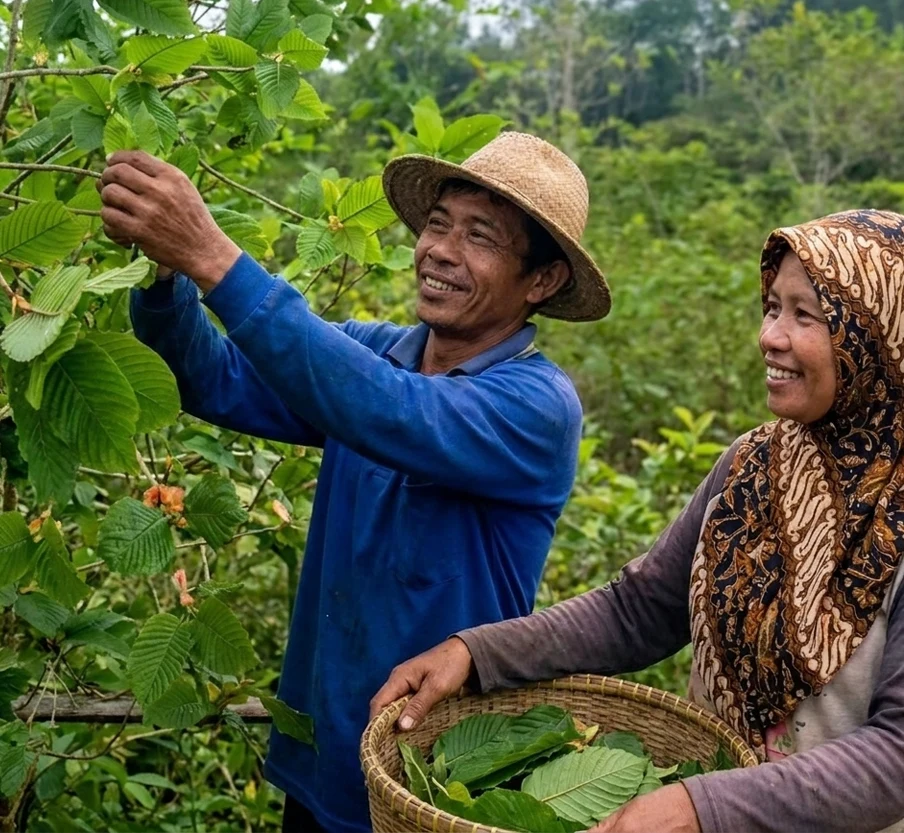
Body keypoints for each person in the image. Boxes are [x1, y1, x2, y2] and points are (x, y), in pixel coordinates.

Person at [97, 132, 610, 832]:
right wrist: (167, 273)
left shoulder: (537, 406)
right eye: (437, 224)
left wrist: (215, 256)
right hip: (322, 760)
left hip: (432, 780)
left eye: (481, 236)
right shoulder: (379, 354)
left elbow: (389, 411)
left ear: (541, 282)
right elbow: (212, 378)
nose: (440, 251)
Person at [372, 209, 904, 833]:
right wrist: (475, 651)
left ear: (877, 334)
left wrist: (703, 807)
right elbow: (641, 611)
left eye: (805, 315)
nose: (771, 336)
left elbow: (895, 756)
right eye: (772, 307)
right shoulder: (755, 467)